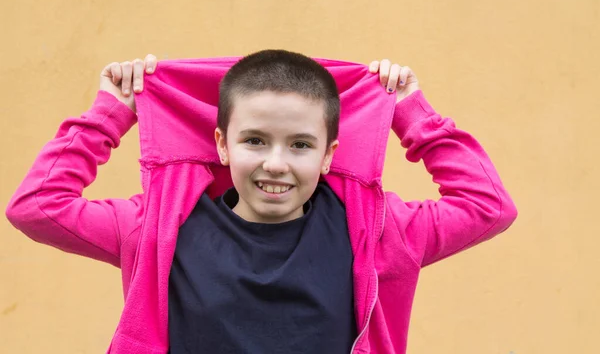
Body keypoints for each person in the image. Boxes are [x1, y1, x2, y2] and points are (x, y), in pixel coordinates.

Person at [5, 50, 518, 353]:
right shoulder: (155, 227)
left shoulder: (382, 230)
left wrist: (409, 111)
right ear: (222, 144)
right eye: (254, 141)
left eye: (300, 145)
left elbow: (488, 206)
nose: (276, 163)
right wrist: (110, 113)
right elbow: (38, 206)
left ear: (329, 155)